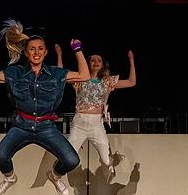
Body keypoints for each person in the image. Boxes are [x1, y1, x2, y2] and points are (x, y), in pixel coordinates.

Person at [0, 19, 91, 195]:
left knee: (72, 160)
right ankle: (9, 179)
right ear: (25, 52)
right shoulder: (14, 73)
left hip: (46, 128)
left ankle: (54, 176)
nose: (36, 52)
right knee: (0, 155)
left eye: (40, 49)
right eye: (32, 49)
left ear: (46, 52)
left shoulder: (56, 74)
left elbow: (84, 75)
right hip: (21, 126)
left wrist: (77, 50)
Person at [55, 45, 136, 178]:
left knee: (106, 160)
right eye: (93, 60)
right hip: (79, 124)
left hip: (96, 125)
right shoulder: (81, 79)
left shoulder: (107, 81)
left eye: (99, 60)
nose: (96, 62)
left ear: (102, 64)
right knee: (69, 157)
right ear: (87, 63)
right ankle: (56, 174)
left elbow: (131, 82)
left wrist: (131, 60)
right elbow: (60, 75)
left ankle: (108, 172)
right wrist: (59, 55)